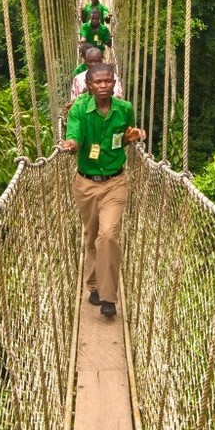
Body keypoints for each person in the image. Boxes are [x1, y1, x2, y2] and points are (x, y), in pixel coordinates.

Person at [61, 63, 144, 318]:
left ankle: (108, 298)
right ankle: (93, 285)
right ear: (89, 86)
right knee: (91, 235)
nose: (103, 85)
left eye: (108, 81)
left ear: (113, 83)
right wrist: (71, 145)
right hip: (85, 183)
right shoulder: (79, 110)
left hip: (115, 182)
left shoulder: (124, 109)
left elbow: (126, 137)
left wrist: (133, 136)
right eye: (98, 82)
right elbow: (74, 136)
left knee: (108, 235)